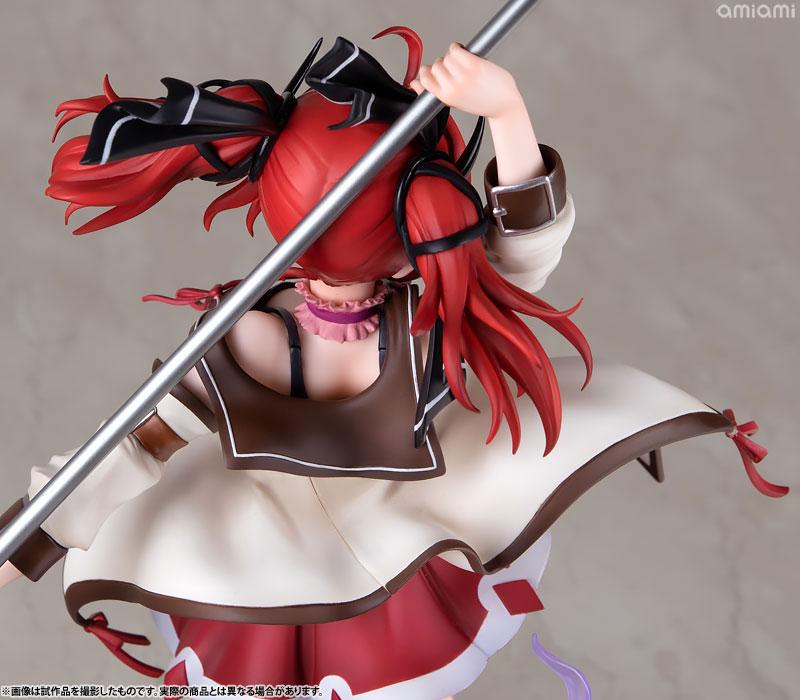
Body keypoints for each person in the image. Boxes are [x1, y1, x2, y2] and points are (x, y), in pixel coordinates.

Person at [0, 29, 785, 700]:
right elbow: (122, 452)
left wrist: (507, 111)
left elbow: (517, 255)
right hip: (269, 560)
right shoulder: (254, 342)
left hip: (406, 545)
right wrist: (15, 548)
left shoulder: (416, 312)